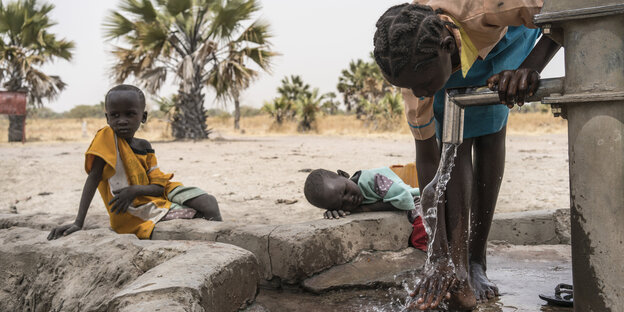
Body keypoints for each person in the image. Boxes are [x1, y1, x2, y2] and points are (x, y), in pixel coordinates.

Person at [373, 2, 561, 310]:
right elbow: (430, 161)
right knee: (454, 135)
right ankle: (458, 270)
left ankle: (476, 261)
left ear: (448, 46)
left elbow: (566, 10)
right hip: (451, 55)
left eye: (422, 85)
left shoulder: (487, 5)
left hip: (507, 32)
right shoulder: (415, 65)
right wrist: (437, 256)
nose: (419, 94)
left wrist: (530, 67)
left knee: (491, 121)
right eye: (410, 87)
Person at [48, 85, 222, 240]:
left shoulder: (144, 146)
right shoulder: (107, 140)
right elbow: (93, 178)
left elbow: (158, 186)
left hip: (154, 192)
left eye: (130, 114)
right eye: (115, 115)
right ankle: (214, 242)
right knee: (197, 215)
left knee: (209, 203)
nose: (122, 120)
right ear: (107, 118)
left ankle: (221, 245)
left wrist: (134, 189)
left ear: (143, 116)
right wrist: (78, 222)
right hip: (134, 208)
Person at [304, 167, 429, 250]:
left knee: (421, 234)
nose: (349, 199)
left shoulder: (372, 180)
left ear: (343, 175)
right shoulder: (339, 197)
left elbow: (405, 201)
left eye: (346, 191)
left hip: (417, 199)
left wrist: (364, 209)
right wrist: (335, 212)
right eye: (341, 205)